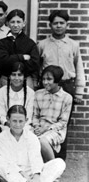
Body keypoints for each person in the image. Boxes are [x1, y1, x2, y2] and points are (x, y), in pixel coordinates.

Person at [0, 105, 66, 182]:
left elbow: (36, 160)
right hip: (12, 177)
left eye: (21, 121)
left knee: (59, 163)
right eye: (14, 121)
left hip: (31, 176)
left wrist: (36, 177)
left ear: (26, 120)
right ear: (8, 119)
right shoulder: (2, 137)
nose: (17, 124)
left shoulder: (31, 137)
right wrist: (26, 179)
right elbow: (9, 163)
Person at [38, 10, 85, 160]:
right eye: (55, 23)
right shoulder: (43, 44)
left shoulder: (73, 45)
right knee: (44, 120)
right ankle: (43, 157)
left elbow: (79, 67)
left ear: (67, 25)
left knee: (62, 124)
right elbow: (37, 67)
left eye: (61, 23)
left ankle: (60, 160)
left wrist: (79, 91)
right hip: (47, 85)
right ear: (50, 25)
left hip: (66, 85)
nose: (58, 26)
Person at [32, 66, 72, 163]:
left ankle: (53, 168)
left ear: (57, 80)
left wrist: (46, 129)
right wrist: (37, 127)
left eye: (49, 79)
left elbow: (63, 122)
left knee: (42, 141)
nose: (45, 82)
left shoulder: (66, 98)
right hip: (39, 128)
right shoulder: (38, 94)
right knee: (26, 137)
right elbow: (35, 115)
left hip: (56, 130)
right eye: (44, 79)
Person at [0, 9, 40, 89]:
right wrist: (22, 57)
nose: (15, 25)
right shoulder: (2, 43)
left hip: (25, 80)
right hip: (6, 79)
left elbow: (34, 64)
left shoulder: (30, 43)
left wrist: (11, 60)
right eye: (12, 22)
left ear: (24, 23)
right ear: (7, 23)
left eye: (18, 22)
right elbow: (3, 62)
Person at [0, 62, 34, 129]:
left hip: (24, 126)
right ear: (9, 76)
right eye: (13, 75)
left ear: (24, 77)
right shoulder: (1, 92)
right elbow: (1, 114)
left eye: (19, 75)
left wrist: (19, 125)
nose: (16, 78)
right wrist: (9, 124)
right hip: (6, 126)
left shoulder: (30, 93)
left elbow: (29, 116)